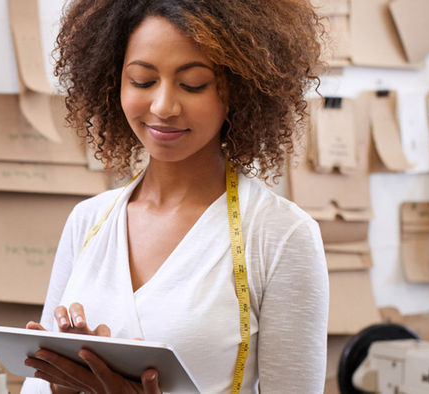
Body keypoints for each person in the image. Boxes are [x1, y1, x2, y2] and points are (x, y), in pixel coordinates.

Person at [20, 0, 329, 393]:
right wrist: (66, 385)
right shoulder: (88, 220)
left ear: (237, 88)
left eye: (193, 84)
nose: (163, 106)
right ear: (114, 82)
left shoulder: (280, 236)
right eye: (142, 81)